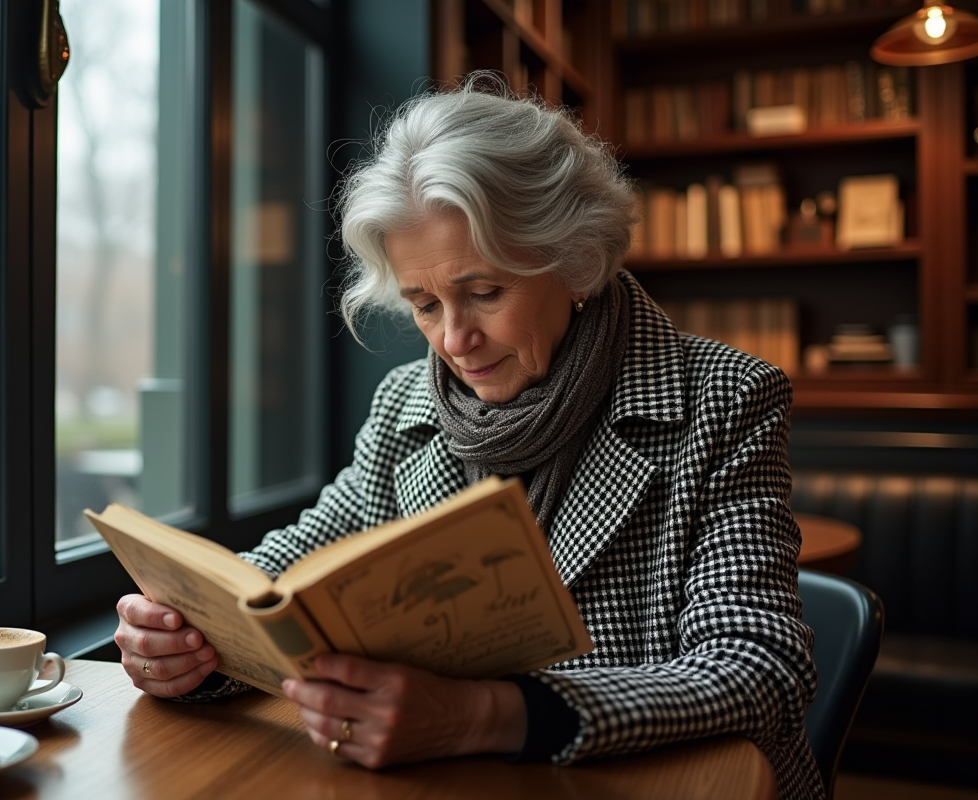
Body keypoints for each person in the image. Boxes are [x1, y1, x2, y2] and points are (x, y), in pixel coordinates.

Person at [114, 74, 821, 800]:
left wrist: (483, 716)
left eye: (486, 292)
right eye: (423, 304)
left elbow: (760, 666)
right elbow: (292, 571)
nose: (454, 340)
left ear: (574, 259)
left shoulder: (724, 399)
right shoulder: (404, 403)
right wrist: (187, 637)